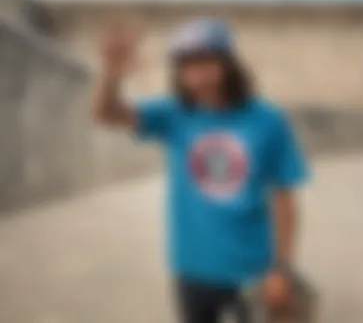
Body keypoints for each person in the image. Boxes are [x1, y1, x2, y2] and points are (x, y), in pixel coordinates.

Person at [93, 18, 309, 323]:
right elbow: (106, 114)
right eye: (189, 65)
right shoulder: (173, 114)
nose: (199, 74)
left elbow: (284, 196)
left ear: (228, 64)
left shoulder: (268, 120)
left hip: (253, 271)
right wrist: (111, 74)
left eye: (208, 62)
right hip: (192, 270)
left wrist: (283, 267)